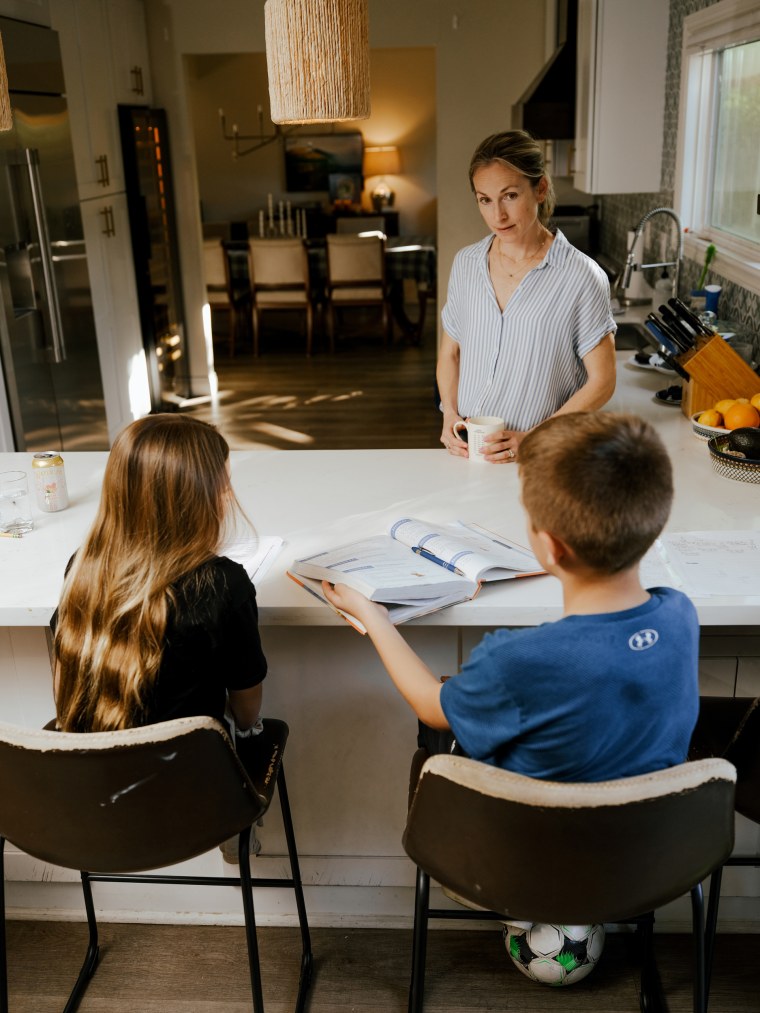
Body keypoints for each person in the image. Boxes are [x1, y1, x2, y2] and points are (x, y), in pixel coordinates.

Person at [322, 411, 699, 782]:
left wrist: (373, 616)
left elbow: (429, 706)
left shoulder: (517, 659)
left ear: (550, 547)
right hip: (653, 838)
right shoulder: (680, 615)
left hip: (528, 838)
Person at [52, 414, 267, 859]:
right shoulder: (223, 583)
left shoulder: (82, 569)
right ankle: (234, 832)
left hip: (93, 790)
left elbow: (68, 681)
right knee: (256, 730)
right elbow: (247, 710)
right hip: (189, 792)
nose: (229, 495)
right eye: (222, 484)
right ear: (194, 500)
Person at [438, 130, 617, 464]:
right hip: (468, 453)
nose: (498, 216)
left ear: (540, 189)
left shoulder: (581, 276)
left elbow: (603, 381)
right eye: (485, 199)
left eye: (509, 196)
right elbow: (450, 353)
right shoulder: (465, 264)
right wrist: (449, 414)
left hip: (544, 458)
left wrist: (534, 438)